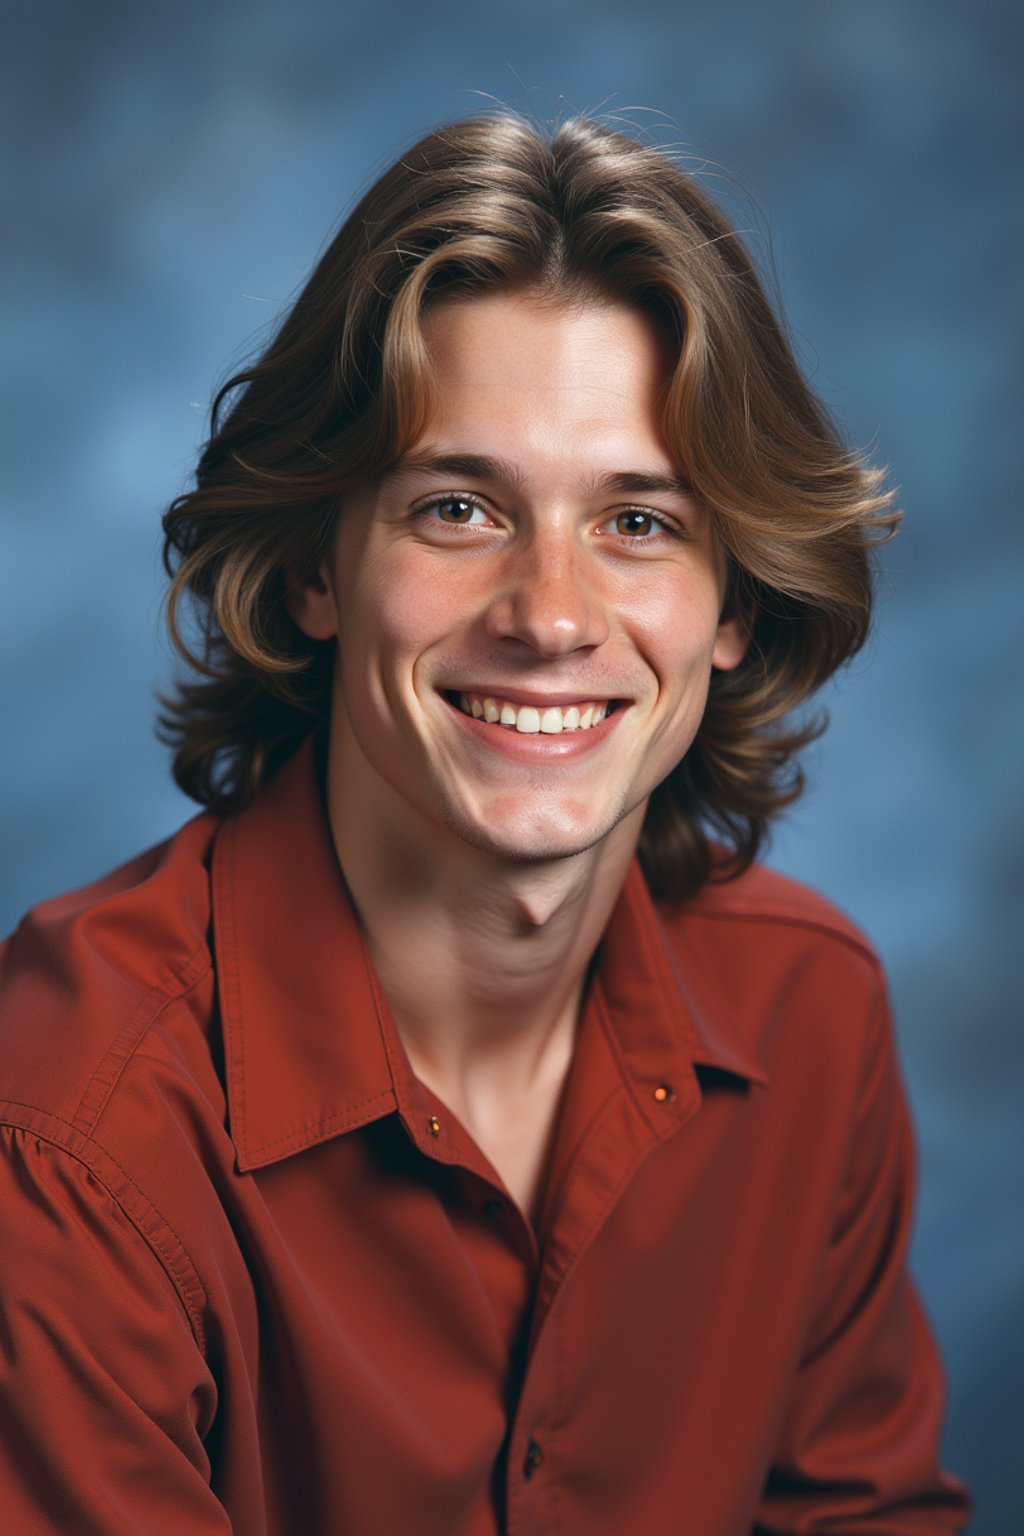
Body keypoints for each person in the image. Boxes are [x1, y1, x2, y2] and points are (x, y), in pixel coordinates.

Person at [0, 114, 969, 1534]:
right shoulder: (68, 1127)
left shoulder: (807, 1014)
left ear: (736, 609)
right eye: (459, 508)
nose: (553, 615)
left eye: (639, 523)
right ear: (318, 569)